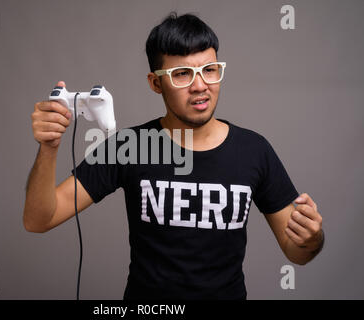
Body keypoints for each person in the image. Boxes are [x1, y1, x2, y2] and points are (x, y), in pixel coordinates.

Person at [23, 12, 324, 300]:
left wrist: (311, 239)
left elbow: (297, 253)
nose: (200, 86)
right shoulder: (130, 146)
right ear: (156, 83)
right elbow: (39, 219)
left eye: (209, 70)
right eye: (181, 74)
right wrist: (49, 147)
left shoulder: (254, 150)